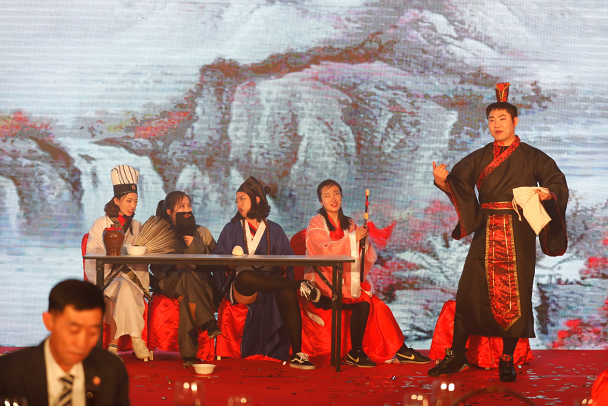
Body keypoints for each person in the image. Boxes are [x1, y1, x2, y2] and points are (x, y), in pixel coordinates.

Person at [428, 84, 568, 382]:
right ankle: (456, 354)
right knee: (469, 291)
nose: (496, 125)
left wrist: (546, 193)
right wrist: (442, 182)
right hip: (486, 230)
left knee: (516, 295)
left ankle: (507, 358)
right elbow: (459, 182)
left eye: (502, 119)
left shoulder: (533, 156)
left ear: (515, 121)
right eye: (491, 120)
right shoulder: (480, 156)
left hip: (519, 231)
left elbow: (556, 181)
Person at [304, 179, 431, 367]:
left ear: (342, 196)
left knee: (378, 305)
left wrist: (362, 243)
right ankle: (365, 352)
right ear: (321, 201)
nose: (333, 198)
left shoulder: (350, 224)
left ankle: (399, 349)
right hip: (324, 282)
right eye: (327, 195)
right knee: (366, 301)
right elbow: (321, 250)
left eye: (336, 193)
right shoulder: (316, 222)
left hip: (345, 282)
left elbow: (367, 256)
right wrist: (352, 239)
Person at [214, 176, 319, 369]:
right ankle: (299, 285)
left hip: (272, 283)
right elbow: (219, 260)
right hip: (244, 286)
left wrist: (282, 267)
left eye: (242, 199)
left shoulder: (275, 229)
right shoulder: (230, 229)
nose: (238, 204)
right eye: (237, 200)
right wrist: (229, 265)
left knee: (286, 291)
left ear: (257, 199)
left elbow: (287, 259)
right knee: (245, 276)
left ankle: (298, 354)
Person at [0, 279, 130, 406]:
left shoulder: (111, 369)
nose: (82, 343)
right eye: (73, 331)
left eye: (92, 332)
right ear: (49, 321)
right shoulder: (5, 374)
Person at [84, 165, 151, 361]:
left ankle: (113, 345)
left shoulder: (137, 226)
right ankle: (137, 339)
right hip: (107, 279)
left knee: (125, 287)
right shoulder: (101, 224)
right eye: (129, 201)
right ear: (116, 200)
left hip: (131, 279)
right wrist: (112, 252)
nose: (133, 206)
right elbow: (92, 253)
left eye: (135, 201)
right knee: (122, 285)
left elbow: (144, 254)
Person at [151, 191, 221, 368]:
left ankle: (189, 356)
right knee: (184, 275)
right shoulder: (162, 235)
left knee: (186, 295)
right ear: (169, 212)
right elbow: (155, 268)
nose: (187, 210)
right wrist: (175, 266)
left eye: (189, 205)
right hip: (170, 282)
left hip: (197, 283)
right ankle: (208, 321)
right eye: (181, 206)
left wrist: (197, 246)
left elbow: (217, 262)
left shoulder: (202, 232)